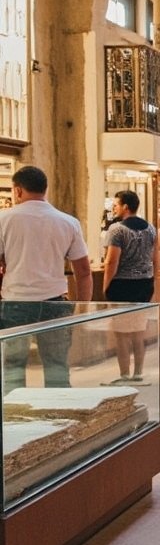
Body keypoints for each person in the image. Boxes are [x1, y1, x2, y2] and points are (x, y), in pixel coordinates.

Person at [0, 165, 93, 393]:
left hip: (15, 302)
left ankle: (16, 411)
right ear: (45, 189)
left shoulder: (4, 219)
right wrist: (83, 307)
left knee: (13, 367)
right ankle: (58, 411)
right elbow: (83, 271)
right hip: (55, 303)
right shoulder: (68, 222)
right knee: (57, 366)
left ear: (18, 190)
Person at [102, 189, 158, 383]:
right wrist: (153, 280)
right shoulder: (150, 228)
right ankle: (139, 372)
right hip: (144, 283)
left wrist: (106, 286)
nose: (114, 208)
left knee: (121, 334)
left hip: (122, 284)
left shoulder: (117, 229)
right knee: (138, 332)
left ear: (125, 206)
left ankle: (124, 373)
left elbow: (111, 261)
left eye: (116, 205)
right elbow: (155, 257)